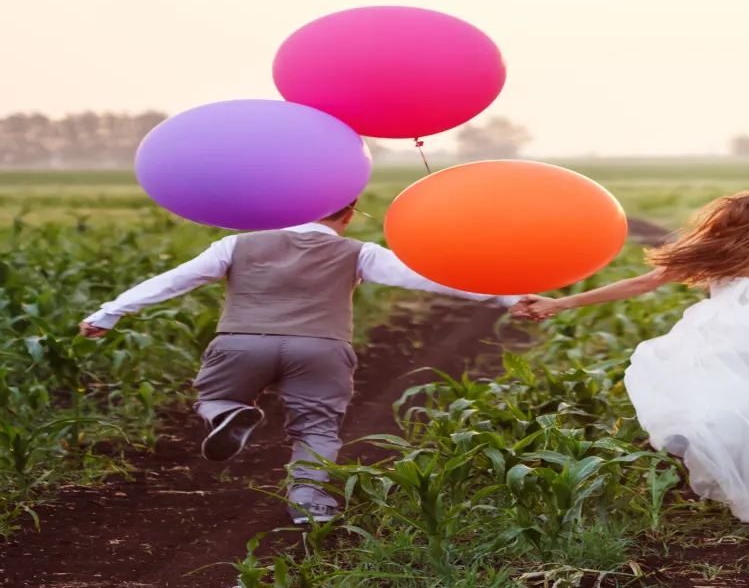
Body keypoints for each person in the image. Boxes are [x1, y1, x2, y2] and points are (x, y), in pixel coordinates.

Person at [78, 202, 530, 524]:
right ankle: (309, 503)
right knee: (317, 426)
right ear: (349, 214)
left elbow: (175, 280)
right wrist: (511, 297)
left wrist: (110, 312)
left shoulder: (237, 245)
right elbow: (431, 278)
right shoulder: (359, 252)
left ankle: (228, 413)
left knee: (216, 393)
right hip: (321, 347)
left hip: (242, 342)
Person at [516, 186, 749, 523]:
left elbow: (643, 283)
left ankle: (736, 467)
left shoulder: (721, 246)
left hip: (725, 334)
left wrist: (561, 302)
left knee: (735, 402)